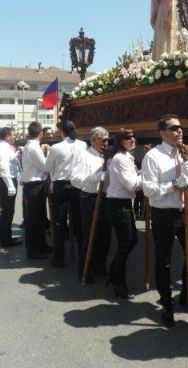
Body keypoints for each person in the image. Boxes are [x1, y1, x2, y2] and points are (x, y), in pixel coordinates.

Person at [142, 114, 188, 329]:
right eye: (174, 128)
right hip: (164, 213)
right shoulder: (153, 156)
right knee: (164, 259)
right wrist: (176, 184)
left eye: (180, 127)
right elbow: (150, 191)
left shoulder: (186, 152)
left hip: (185, 211)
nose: (179, 131)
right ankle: (166, 302)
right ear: (162, 133)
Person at [70, 126, 112, 281]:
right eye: (104, 140)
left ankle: (100, 267)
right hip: (90, 197)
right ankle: (84, 269)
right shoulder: (84, 156)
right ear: (94, 140)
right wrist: (94, 178)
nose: (106, 143)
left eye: (108, 140)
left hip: (106, 197)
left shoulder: (107, 155)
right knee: (89, 235)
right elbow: (75, 179)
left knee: (105, 235)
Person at [105, 128, 141, 299]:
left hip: (123, 203)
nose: (132, 139)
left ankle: (113, 273)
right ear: (120, 141)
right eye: (127, 138)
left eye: (133, 137)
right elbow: (132, 184)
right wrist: (149, 176)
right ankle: (118, 283)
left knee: (132, 240)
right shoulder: (120, 159)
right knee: (125, 244)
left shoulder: (126, 157)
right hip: (118, 204)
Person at [45, 119, 86, 267]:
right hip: (77, 184)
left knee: (59, 222)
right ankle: (83, 257)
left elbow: (47, 166)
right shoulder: (83, 145)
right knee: (78, 221)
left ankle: (59, 257)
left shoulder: (56, 147)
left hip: (61, 186)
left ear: (62, 131)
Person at [21, 121, 51, 260]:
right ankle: (33, 250)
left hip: (35, 185)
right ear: (41, 133)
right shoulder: (33, 147)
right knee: (33, 219)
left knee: (39, 218)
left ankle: (41, 244)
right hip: (33, 186)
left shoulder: (31, 146)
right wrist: (48, 153)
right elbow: (45, 166)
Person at [0, 127, 22, 247]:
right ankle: (5, 239)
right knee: (7, 211)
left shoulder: (5, 147)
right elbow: (4, 167)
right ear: (7, 136)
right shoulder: (2, 148)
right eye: (13, 135)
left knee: (8, 211)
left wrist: (18, 154)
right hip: (6, 181)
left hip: (7, 180)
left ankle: (4, 236)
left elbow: (11, 161)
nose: (14, 137)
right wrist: (10, 185)